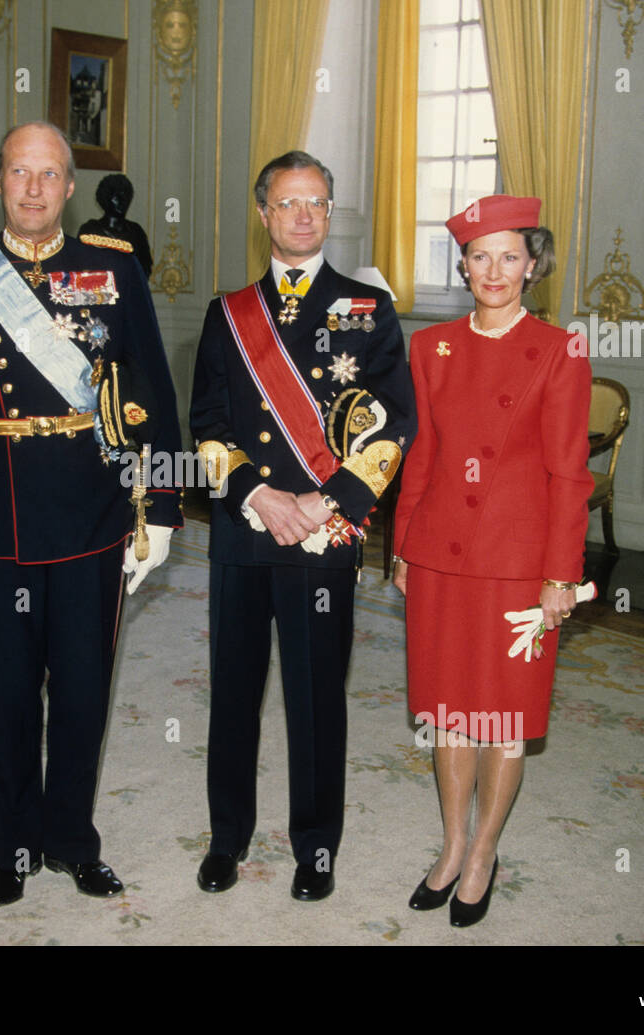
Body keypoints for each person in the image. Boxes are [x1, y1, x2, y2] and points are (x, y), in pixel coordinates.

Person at [0, 121, 182, 906]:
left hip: (92, 510)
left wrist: (158, 505)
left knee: (83, 689)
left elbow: (153, 393)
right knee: (1, 696)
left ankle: (71, 838)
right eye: (20, 173)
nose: (34, 188)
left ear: (70, 185)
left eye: (50, 174)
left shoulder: (114, 267)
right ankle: (13, 848)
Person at [189, 150, 416, 901]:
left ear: (329, 211)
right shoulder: (228, 314)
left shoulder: (367, 308)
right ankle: (228, 836)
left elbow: (392, 426)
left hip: (324, 530)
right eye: (288, 203)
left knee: (317, 695)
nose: (302, 215)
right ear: (263, 214)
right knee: (235, 690)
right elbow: (208, 429)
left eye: (316, 202)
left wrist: (326, 501)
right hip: (247, 531)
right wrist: (260, 495)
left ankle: (316, 846)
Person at [391, 194, 594, 927]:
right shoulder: (431, 346)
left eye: (510, 255)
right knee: (449, 712)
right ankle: (450, 846)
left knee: (503, 716)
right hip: (440, 555)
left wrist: (560, 575)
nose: (495, 269)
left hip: (517, 563)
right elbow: (423, 455)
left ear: (532, 264)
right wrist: (404, 545)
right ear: (465, 265)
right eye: (481, 255)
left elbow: (571, 473)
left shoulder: (559, 350)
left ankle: (483, 852)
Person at [78, 174, 154, 278]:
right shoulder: (90, 230)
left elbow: (145, 269)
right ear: (106, 198)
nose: (123, 201)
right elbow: (80, 267)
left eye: (126, 196)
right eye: (117, 197)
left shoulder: (136, 231)